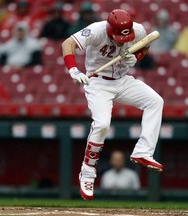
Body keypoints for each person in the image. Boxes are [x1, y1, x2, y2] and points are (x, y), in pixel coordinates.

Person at [62, 9, 164, 200]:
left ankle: (143, 152)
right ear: (110, 29)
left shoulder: (138, 29)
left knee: (155, 101)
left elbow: (145, 44)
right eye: (117, 36)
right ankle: (88, 172)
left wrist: (137, 57)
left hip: (122, 80)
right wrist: (74, 70)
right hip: (98, 82)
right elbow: (67, 44)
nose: (122, 41)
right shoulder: (96, 30)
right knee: (102, 124)